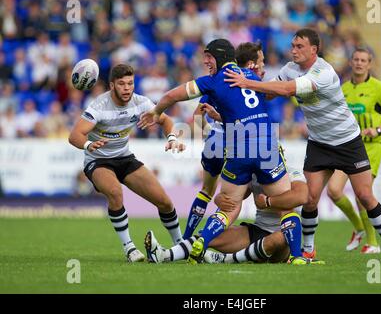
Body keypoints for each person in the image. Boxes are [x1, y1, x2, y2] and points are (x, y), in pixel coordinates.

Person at [224, 28, 381, 265]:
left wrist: (247, 82)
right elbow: (267, 95)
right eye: (293, 45)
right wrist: (246, 83)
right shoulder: (289, 69)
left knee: (365, 195)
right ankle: (307, 251)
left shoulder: (324, 72)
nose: (293, 50)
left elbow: (287, 90)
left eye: (299, 47)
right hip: (319, 143)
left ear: (314, 50)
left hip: (348, 141)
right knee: (310, 199)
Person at [138, 39, 304, 265]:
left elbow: (172, 98)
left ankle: (199, 241)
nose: (205, 61)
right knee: (286, 208)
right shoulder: (252, 77)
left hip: (234, 146)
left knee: (227, 205)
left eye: (209, 57)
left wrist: (157, 112)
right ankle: (297, 257)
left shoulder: (213, 81)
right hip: (265, 144)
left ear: (221, 56)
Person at [68, 64, 185, 262]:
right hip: (98, 161)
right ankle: (129, 248)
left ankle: (181, 246)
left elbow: (166, 120)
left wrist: (172, 138)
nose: (127, 88)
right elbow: (74, 136)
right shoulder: (99, 106)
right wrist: (89, 144)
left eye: (130, 83)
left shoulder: (141, 102)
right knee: (115, 192)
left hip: (124, 158)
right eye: (121, 84)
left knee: (164, 201)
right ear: (112, 85)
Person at [145, 166, 324, 265]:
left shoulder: (290, 172)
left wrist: (268, 201)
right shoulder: (253, 173)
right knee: (207, 236)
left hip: (285, 236)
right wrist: (219, 200)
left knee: (276, 239)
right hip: (256, 230)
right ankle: (163, 255)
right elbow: (230, 196)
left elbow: (301, 196)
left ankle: (225, 259)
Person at [183, 41, 267, 240]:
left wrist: (210, 134)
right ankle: (208, 238)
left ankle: (186, 240)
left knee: (206, 192)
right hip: (244, 146)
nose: (263, 66)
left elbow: (196, 117)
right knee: (234, 199)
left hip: (217, 142)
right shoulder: (252, 81)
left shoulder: (219, 79)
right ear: (251, 64)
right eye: (261, 62)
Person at [327, 48, 381, 254]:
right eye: (356, 59)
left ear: (370, 64)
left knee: (363, 195)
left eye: (364, 60)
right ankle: (359, 228)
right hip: (348, 146)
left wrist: (378, 129)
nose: (359, 63)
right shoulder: (343, 89)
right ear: (350, 62)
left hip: (371, 146)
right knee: (333, 190)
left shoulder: (378, 88)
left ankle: (373, 243)